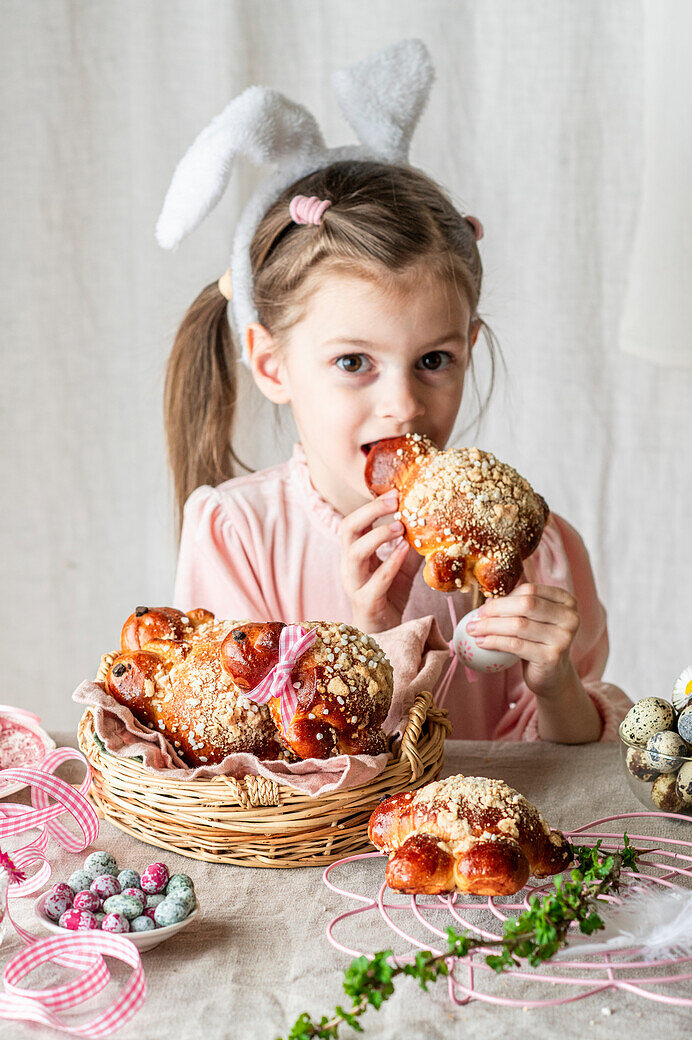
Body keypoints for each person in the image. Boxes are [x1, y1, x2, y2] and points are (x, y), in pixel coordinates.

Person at [159, 41, 631, 744]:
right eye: (353, 362)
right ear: (271, 363)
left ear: (469, 347)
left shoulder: (534, 550)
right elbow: (240, 764)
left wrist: (554, 683)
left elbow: (565, 773)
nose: (404, 405)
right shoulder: (239, 538)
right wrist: (368, 644)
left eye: (433, 359)